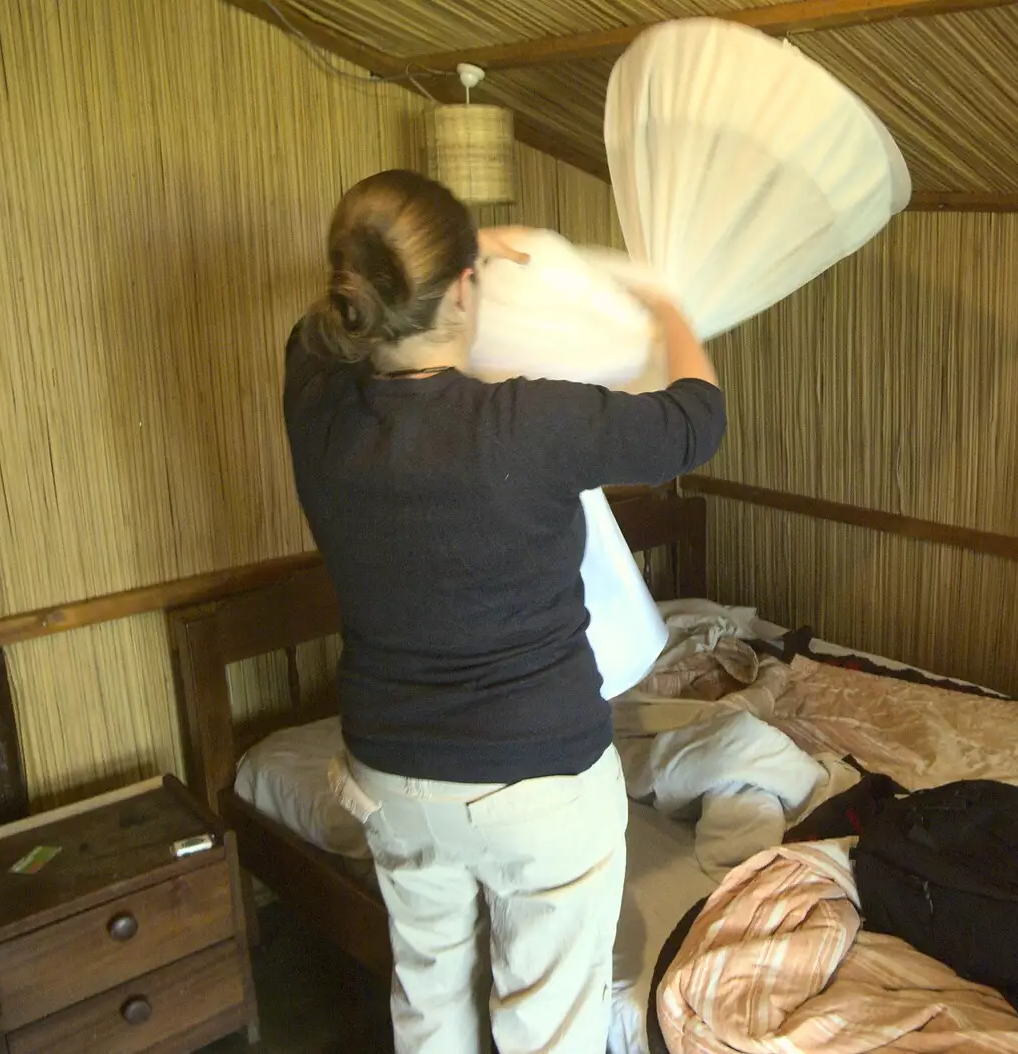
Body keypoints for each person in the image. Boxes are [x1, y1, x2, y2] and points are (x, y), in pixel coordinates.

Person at [282, 169, 726, 1054]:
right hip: (540, 784)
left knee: (430, 1009)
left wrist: (456, 259)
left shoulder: (315, 407)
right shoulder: (529, 419)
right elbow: (695, 419)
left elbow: (315, 332)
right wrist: (670, 304)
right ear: (463, 288)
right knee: (547, 1027)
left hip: (394, 776)